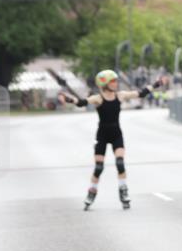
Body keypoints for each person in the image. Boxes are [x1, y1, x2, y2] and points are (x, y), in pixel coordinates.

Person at [58, 70, 159, 210]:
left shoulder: (120, 95)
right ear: (105, 84)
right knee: (99, 168)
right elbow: (81, 103)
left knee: (120, 163)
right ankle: (91, 193)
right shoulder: (98, 98)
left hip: (116, 134)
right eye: (113, 81)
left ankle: (123, 192)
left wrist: (155, 84)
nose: (116, 83)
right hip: (102, 136)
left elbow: (140, 93)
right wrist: (69, 99)